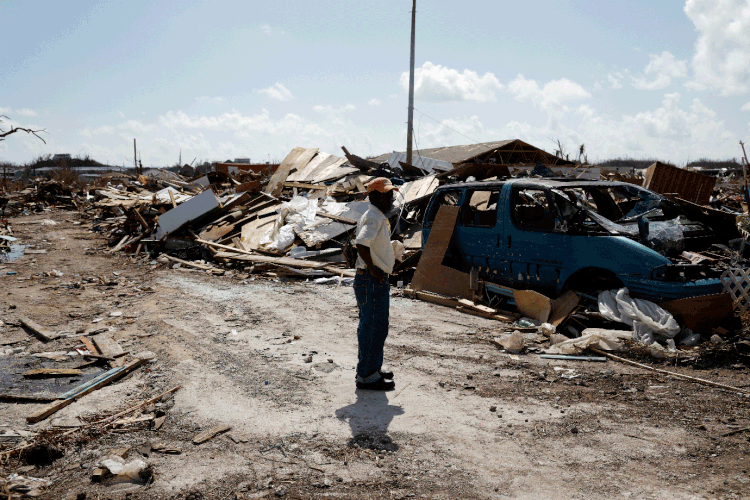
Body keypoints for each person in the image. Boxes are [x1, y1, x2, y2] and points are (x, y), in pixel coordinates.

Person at [353, 177, 398, 391]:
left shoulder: (375, 215)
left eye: (391, 194)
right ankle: (367, 376)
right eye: (388, 194)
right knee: (373, 327)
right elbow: (361, 244)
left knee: (375, 327)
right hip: (371, 281)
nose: (391, 198)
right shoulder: (373, 216)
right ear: (377, 196)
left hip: (371, 280)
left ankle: (371, 368)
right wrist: (373, 269)